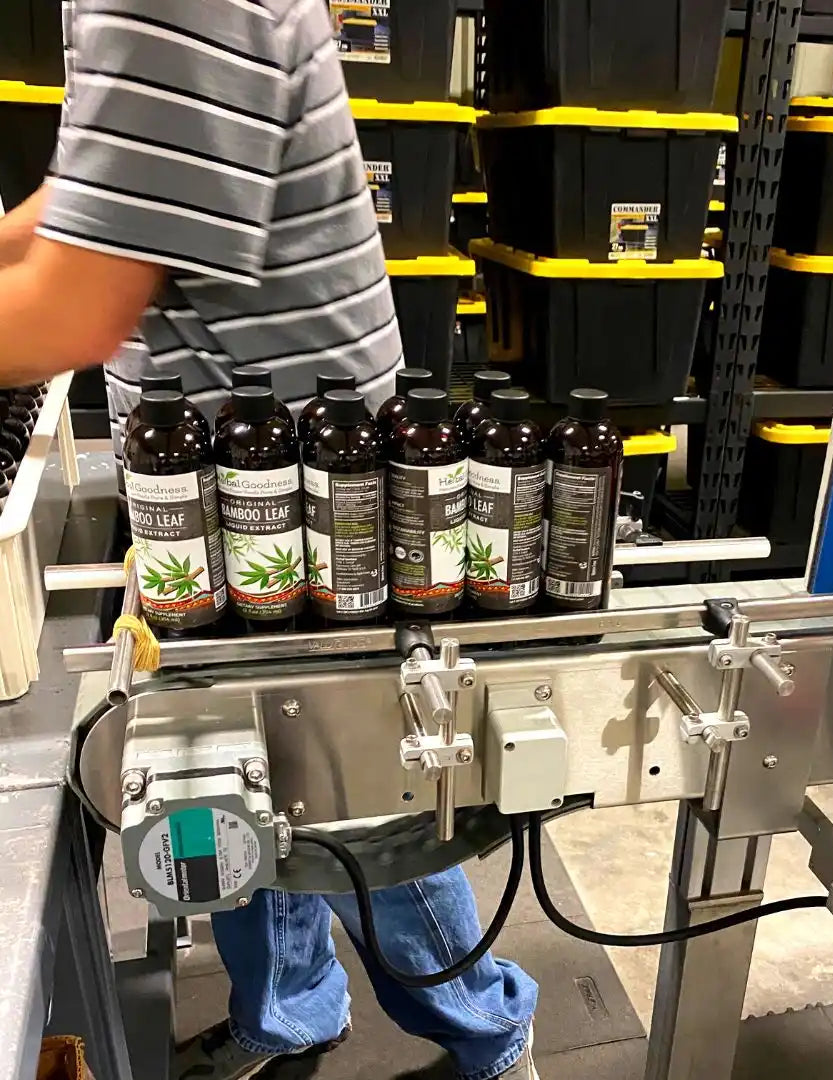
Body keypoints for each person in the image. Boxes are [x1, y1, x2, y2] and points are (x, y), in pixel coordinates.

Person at [0, 1, 539, 1078]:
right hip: (207, 468)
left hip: (303, 481)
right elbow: (89, 202)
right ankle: (292, 1013)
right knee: (233, 770)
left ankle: (491, 1034)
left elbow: (72, 311)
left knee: (357, 796)